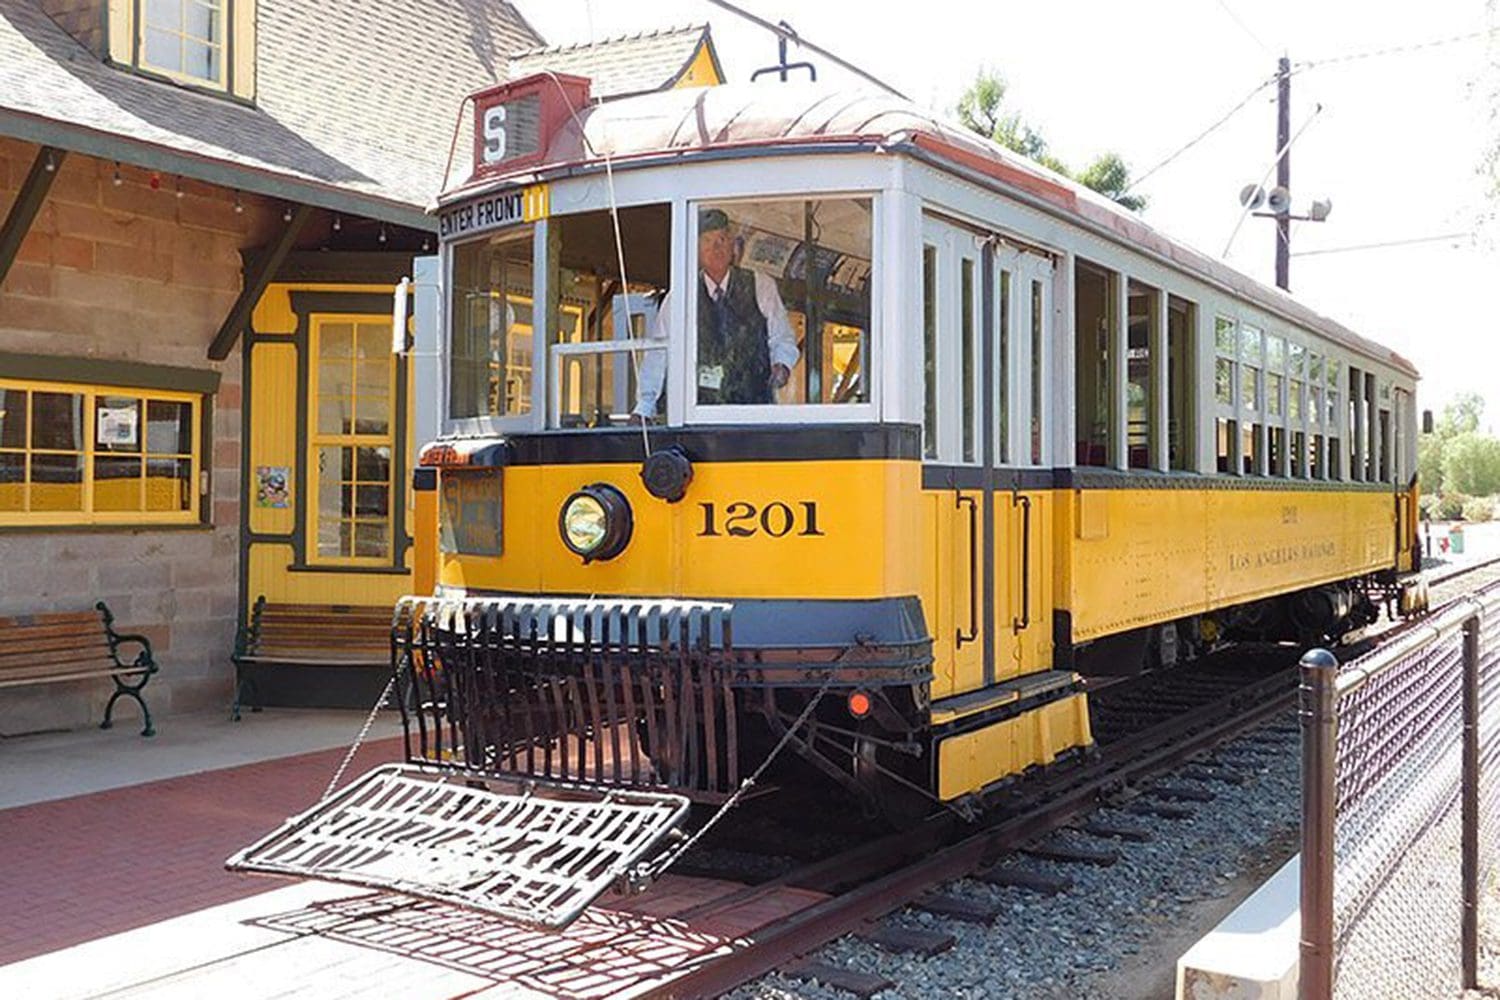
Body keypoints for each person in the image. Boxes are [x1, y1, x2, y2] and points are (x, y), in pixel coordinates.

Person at [632, 208, 799, 419]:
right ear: (697, 249)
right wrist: (645, 406)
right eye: (707, 241)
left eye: (722, 239)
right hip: (698, 414)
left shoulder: (760, 286)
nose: (716, 248)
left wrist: (781, 364)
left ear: (733, 246)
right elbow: (658, 354)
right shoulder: (680, 296)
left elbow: (781, 337)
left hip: (753, 410)